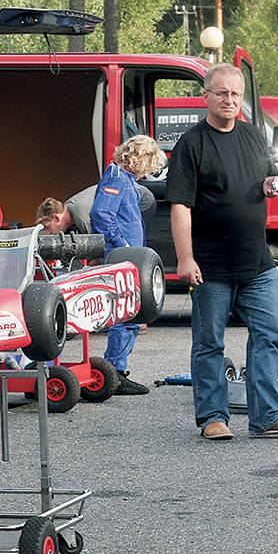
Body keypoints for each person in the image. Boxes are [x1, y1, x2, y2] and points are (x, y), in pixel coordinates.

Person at [165, 63, 278, 440]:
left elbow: (261, 179)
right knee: (210, 343)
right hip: (210, 265)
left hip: (258, 262)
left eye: (235, 94)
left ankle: (267, 416)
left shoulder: (252, 136)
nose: (229, 100)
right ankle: (213, 417)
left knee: (268, 336)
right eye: (221, 93)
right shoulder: (191, 144)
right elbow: (180, 206)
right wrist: (185, 258)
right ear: (206, 96)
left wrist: (270, 185)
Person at [35, 135, 166, 396]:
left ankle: (117, 369)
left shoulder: (123, 178)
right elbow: (101, 214)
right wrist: (120, 244)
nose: (146, 174)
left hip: (129, 254)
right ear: (140, 160)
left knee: (131, 312)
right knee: (125, 313)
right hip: (125, 256)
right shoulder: (117, 177)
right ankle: (116, 371)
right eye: (147, 167)